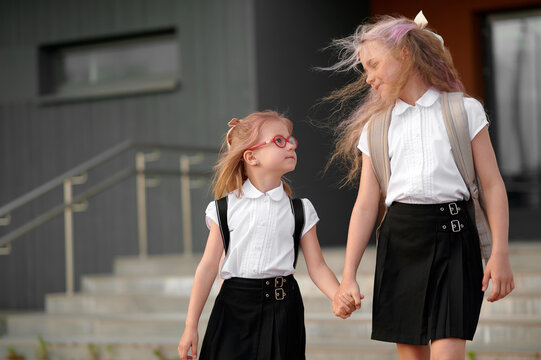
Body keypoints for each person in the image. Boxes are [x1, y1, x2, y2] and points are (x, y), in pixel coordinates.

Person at [324, 12, 515, 360]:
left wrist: (499, 252)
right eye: (365, 69)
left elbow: (492, 185)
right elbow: (366, 205)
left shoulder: (464, 110)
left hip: (456, 241)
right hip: (401, 243)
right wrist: (348, 275)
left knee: (448, 354)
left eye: (374, 65)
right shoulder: (377, 127)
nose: (368, 78)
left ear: (406, 55)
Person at [177, 111, 344, 360]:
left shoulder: (300, 210)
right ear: (251, 157)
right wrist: (191, 326)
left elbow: (318, 267)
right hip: (233, 309)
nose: (289, 145)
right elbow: (208, 267)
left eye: (290, 140)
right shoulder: (225, 208)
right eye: (279, 141)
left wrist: (338, 295)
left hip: (284, 310)